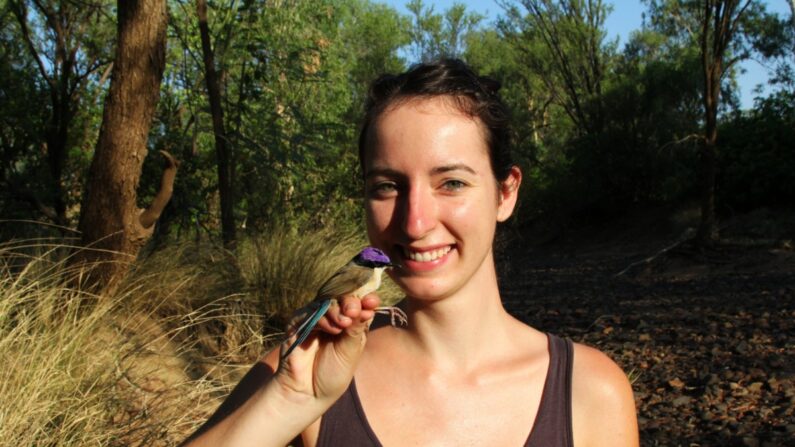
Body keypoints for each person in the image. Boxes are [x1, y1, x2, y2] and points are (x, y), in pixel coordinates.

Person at [183, 59, 639, 447]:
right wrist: (290, 401)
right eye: (387, 186)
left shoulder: (590, 393)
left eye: (452, 182)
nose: (415, 223)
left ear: (505, 193)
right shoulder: (304, 368)